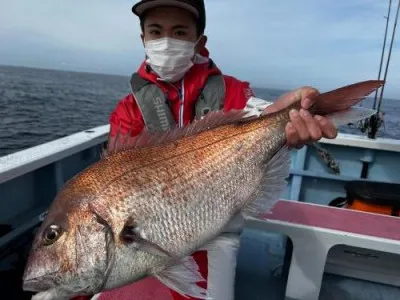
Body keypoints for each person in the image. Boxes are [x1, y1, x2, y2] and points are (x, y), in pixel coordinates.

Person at [90, 1, 338, 299]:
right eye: (156, 31)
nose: (166, 40)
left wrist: (283, 114)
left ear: (199, 41)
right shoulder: (128, 109)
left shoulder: (231, 91)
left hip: (220, 229)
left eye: (179, 32)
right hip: (154, 229)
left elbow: (256, 117)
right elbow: (116, 177)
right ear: (143, 38)